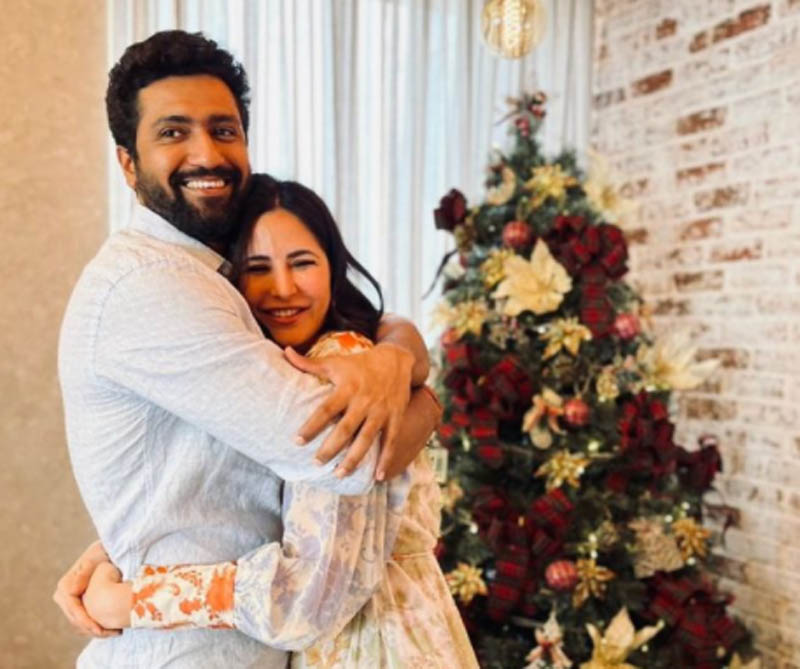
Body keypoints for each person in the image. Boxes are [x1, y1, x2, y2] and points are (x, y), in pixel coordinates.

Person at [55, 31, 438, 668]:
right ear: (127, 163)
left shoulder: (211, 283)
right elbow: (342, 455)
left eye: (224, 130)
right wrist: (422, 387)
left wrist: (396, 354)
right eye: (173, 132)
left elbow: (213, 484)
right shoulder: (154, 285)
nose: (207, 152)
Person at [79, 176, 480, 668]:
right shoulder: (277, 383)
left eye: (302, 263)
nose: (283, 288)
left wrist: (132, 601)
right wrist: (111, 553)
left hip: (374, 645)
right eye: (257, 268)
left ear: (333, 268)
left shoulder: (343, 369)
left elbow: (305, 598)